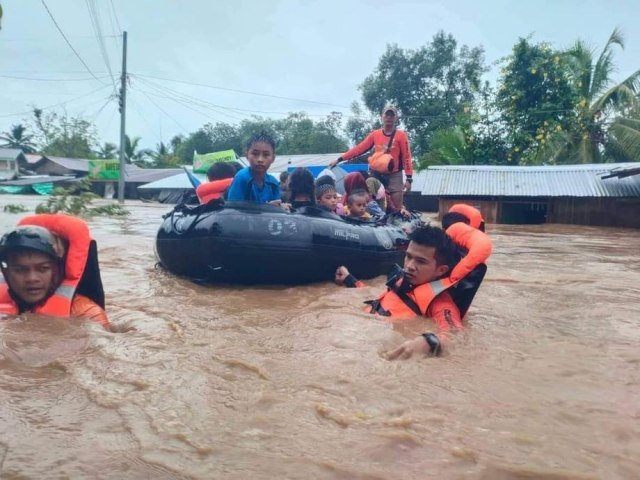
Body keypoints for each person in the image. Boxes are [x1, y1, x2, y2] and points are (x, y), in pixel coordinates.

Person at [334, 222, 492, 359]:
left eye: (421, 261)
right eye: (408, 256)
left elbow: (456, 335)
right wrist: (350, 280)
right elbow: (380, 298)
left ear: (440, 270)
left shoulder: (441, 304)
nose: (409, 266)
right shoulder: (403, 282)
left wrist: (428, 342)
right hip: (351, 337)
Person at [0, 214, 111, 330]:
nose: (32, 278)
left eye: (43, 268)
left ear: (57, 270)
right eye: (20, 270)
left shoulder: (86, 312)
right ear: (6, 272)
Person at [329, 104, 413, 210]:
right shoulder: (375, 134)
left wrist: (409, 178)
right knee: (369, 201)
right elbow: (359, 148)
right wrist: (340, 159)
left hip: (394, 175)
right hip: (376, 174)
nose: (389, 118)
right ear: (381, 117)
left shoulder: (401, 135)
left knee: (397, 208)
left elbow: (407, 157)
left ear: (396, 118)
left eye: (392, 115)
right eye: (387, 115)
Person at [226, 132, 281, 204]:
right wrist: (268, 207)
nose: (260, 159)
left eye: (266, 155)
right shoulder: (241, 178)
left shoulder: (273, 183)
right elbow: (234, 211)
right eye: (255, 154)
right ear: (247, 156)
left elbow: (277, 207)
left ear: (273, 158)